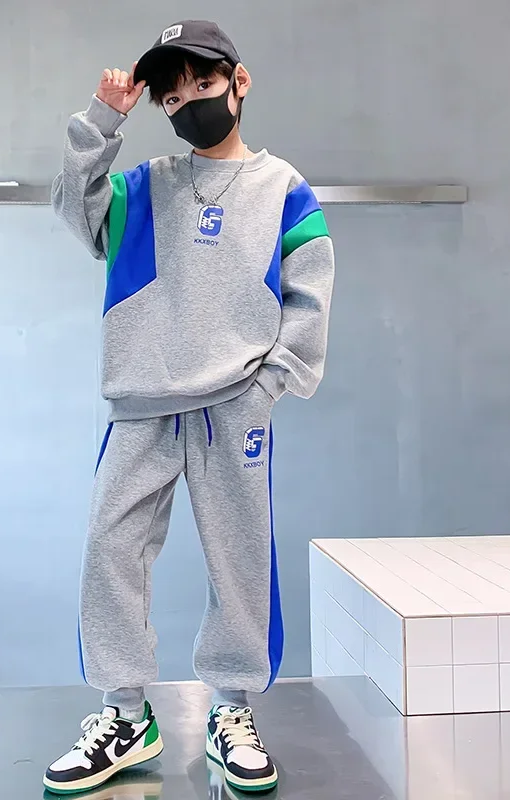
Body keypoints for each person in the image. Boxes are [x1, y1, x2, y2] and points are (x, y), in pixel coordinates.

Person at [44, 19, 335, 795]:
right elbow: (74, 209)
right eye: (172, 97)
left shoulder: (285, 190)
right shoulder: (145, 186)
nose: (190, 102)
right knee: (110, 550)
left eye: (203, 84)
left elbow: (309, 296)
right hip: (141, 400)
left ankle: (231, 709)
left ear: (240, 82)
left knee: (239, 559)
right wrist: (102, 122)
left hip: (234, 407)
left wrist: (269, 385)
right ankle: (124, 716)